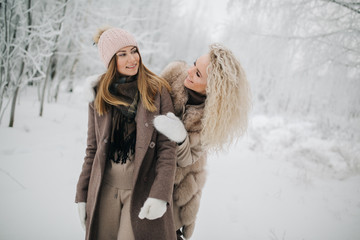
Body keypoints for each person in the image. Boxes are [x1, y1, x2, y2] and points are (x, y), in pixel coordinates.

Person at [75, 27, 177, 240]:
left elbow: (168, 148)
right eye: (122, 54)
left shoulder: (157, 90)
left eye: (134, 50)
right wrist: (82, 193)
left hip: (140, 188)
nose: (132, 59)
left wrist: (160, 195)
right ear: (111, 61)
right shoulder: (98, 94)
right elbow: (93, 148)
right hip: (105, 188)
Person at [154, 43, 251, 239]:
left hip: (177, 189)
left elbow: (187, 159)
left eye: (198, 74)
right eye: (194, 64)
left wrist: (180, 138)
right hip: (145, 175)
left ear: (212, 89)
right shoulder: (173, 74)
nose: (189, 71)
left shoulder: (213, 118)